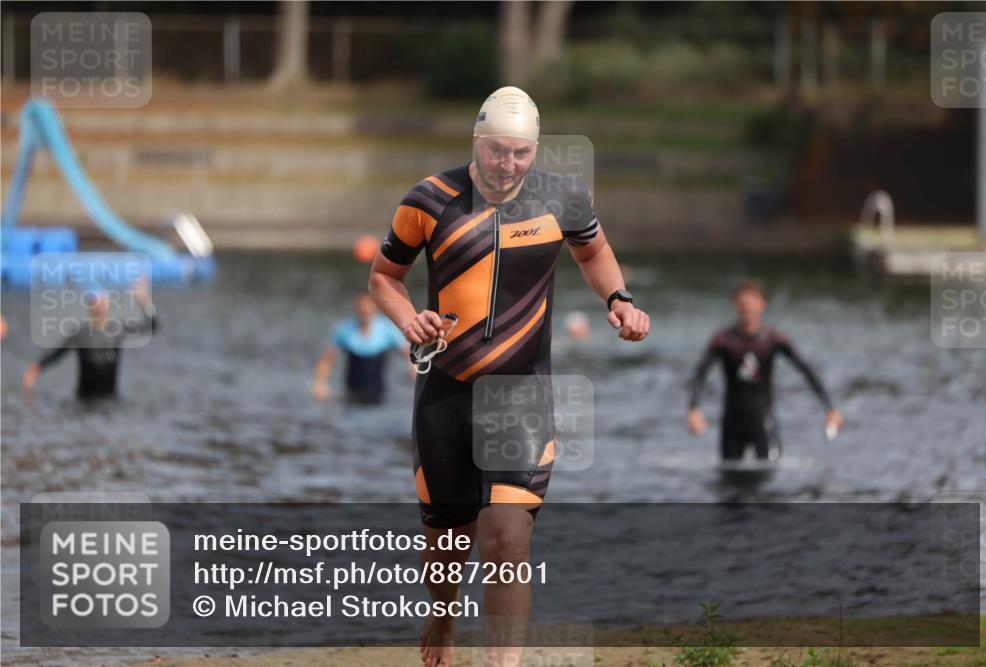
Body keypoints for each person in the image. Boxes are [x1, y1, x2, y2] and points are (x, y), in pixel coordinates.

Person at [369, 85, 650, 667]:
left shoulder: (563, 198)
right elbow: (383, 277)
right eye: (497, 150)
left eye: (521, 153)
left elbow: (594, 254)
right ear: (477, 142)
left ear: (536, 149)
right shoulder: (430, 199)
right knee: (448, 543)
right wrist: (407, 319)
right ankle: (442, 621)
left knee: (507, 536)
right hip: (444, 393)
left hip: (521, 395)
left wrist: (618, 298)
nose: (508, 164)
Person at [687, 278, 843, 461]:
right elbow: (700, 374)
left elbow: (806, 369)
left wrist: (830, 408)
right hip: (732, 423)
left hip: (763, 421)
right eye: (742, 303)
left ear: (763, 304)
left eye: (752, 302)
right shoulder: (723, 340)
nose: (747, 308)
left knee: (770, 472)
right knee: (729, 478)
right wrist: (694, 409)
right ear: (734, 305)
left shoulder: (773, 339)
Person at [22, 279, 156, 401]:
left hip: (110, 400)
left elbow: (152, 326)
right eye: (95, 301)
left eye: (102, 301)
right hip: (84, 401)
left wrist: (145, 301)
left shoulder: (118, 328)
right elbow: (57, 353)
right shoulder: (80, 333)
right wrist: (34, 370)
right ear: (89, 305)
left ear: (108, 303)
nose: (100, 305)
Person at [312, 291, 414, 405]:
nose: (364, 311)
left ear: (375, 308)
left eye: (367, 307)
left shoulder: (387, 329)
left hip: (377, 390)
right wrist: (321, 384)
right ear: (356, 309)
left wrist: (413, 368)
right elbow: (327, 358)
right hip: (352, 390)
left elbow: (407, 351)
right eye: (361, 308)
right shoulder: (345, 330)